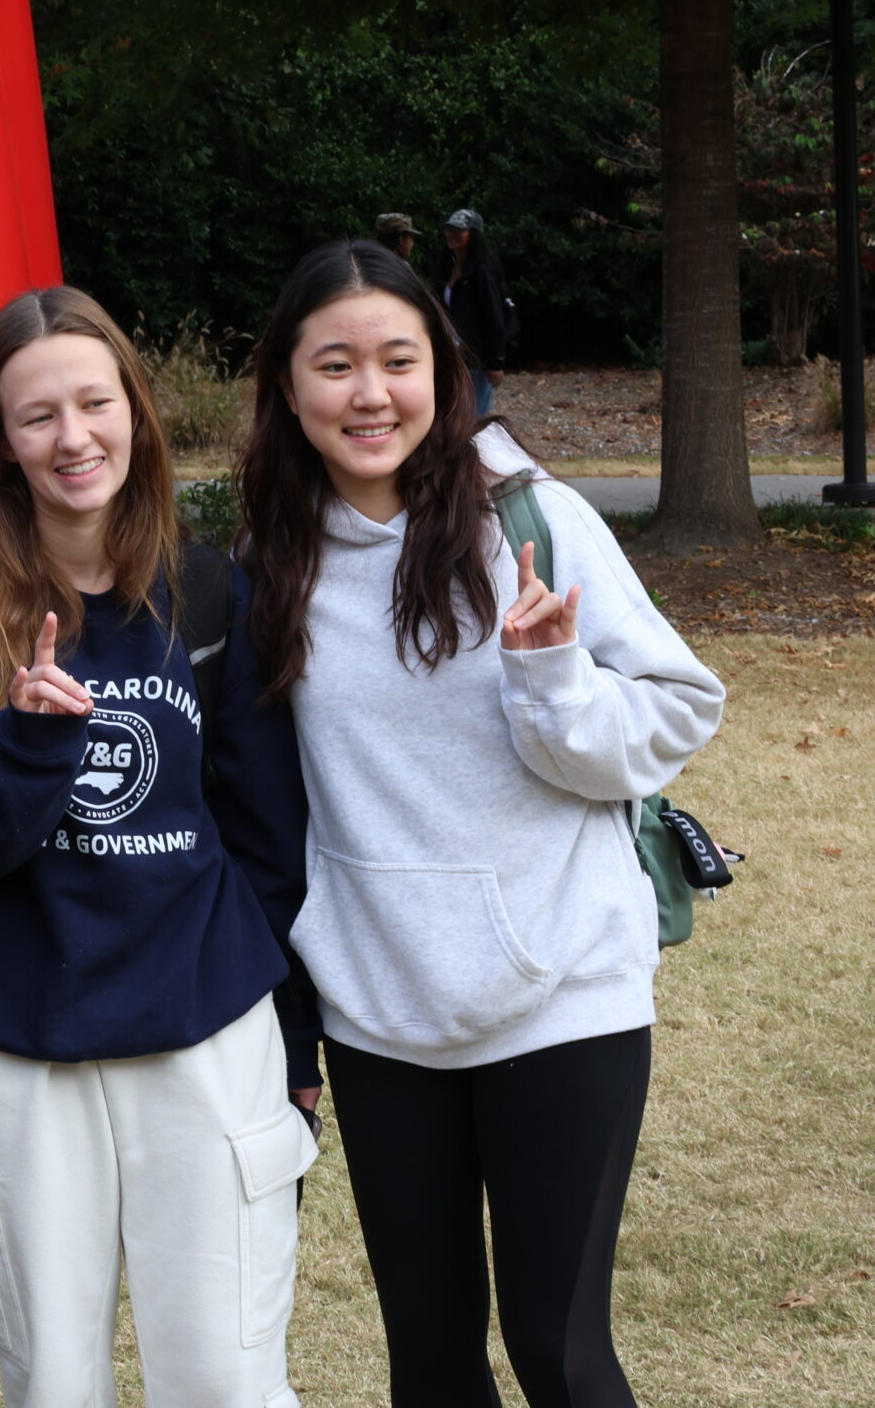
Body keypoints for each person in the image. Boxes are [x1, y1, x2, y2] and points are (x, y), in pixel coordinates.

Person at [237, 240, 723, 1408]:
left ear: (440, 372)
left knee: (559, 1354)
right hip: (379, 1011)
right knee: (434, 1362)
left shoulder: (531, 521)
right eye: (335, 365)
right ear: (288, 386)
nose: (369, 395)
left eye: (398, 360)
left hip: (563, 993)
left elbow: (674, 712)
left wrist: (554, 681)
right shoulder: (268, 554)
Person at [0, 286, 317, 1408]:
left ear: (135, 408)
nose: (73, 438)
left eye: (94, 402)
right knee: (55, 1384)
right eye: (38, 416)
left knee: (224, 1379)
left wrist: (284, 1042)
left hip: (201, 1037)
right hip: (14, 1045)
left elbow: (270, 851)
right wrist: (25, 743)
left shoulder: (214, 592)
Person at [439, 207, 510, 413]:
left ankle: (477, 446)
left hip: (477, 359)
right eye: (449, 229)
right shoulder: (447, 269)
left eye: (459, 230)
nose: (452, 234)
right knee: (458, 413)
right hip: (455, 356)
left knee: (474, 416)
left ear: (474, 234)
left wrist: (496, 363)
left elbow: (494, 318)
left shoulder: (482, 272)